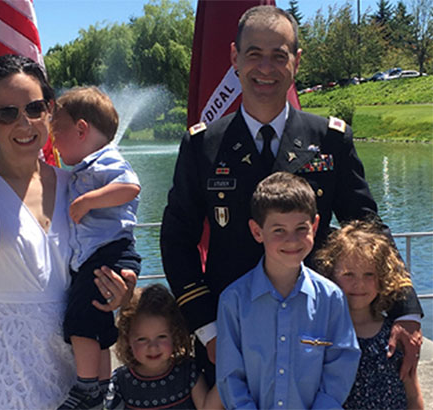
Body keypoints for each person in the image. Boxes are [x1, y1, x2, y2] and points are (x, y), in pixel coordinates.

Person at [160, 4, 422, 385]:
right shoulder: (204, 146)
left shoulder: (330, 140)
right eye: (254, 55)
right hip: (231, 332)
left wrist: (406, 309)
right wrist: (207, 327)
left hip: (317, 334)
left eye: (278, 56)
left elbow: (367, 229)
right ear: (234, 57)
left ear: (296, 62)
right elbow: (176, 238)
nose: (265, 68)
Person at [0, 54, 136, 410]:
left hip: (78, 371)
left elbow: (114, 247)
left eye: (34, 108)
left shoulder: (77, 185)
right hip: (9, 370)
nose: (24, 123)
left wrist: (120, 290)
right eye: (7, 113)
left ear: (50, 110)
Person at [216, 172, 361, 409]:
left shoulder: (331, 298)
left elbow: (341, 366)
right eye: (279, 231)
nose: (292, 241)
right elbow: (229, 376)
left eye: (301, 228)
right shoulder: (234, 301)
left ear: (314, 225)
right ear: (257, 232)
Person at [51, 86, 142, 410]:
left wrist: (89, 200)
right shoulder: (86, 166)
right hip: (103, 255)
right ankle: (104, 392)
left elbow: (130, 187)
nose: (53, 139)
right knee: (99, 327)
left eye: (56, 130)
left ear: (81, 129)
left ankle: (87, 387)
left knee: (78, 321)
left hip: (107, 253)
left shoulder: (105, 160)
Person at [315, 220, 424, 410]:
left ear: (382, 278)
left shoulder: (396, 335)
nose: (360, 284)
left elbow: (413, 395)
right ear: (331, 275)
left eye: (369, 275)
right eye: (349, 274)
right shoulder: (323, 332)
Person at [103, 283, 222, 410]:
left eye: (162, 337)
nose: (153, 347)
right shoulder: (121, 381)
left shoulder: (188, 371)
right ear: (127, 340)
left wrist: (230, 370)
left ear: (174, 334)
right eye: (142, 339)